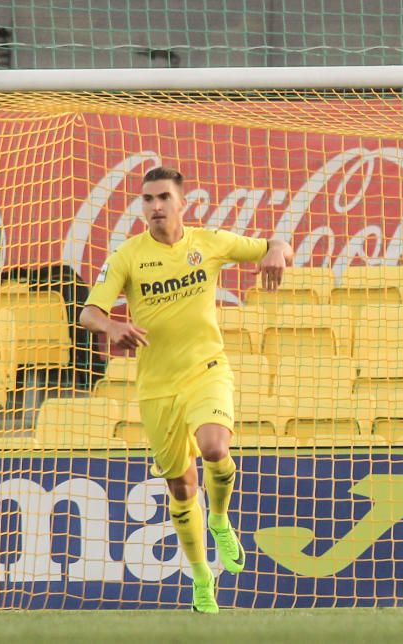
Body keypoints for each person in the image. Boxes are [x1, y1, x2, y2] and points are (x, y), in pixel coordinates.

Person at [79, 166, 294, 614]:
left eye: (162, 198)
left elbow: (276, 244)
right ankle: (201, 578)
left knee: (214, 447)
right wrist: (113, 324)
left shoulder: (209, 242)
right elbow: (89, 313)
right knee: (180, 486)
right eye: (147, 199)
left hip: (206, 369)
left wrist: (277, 251)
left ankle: (218, 518)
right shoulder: (128, 255)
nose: (154, 206)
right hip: (157, 386)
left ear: (182, 203)